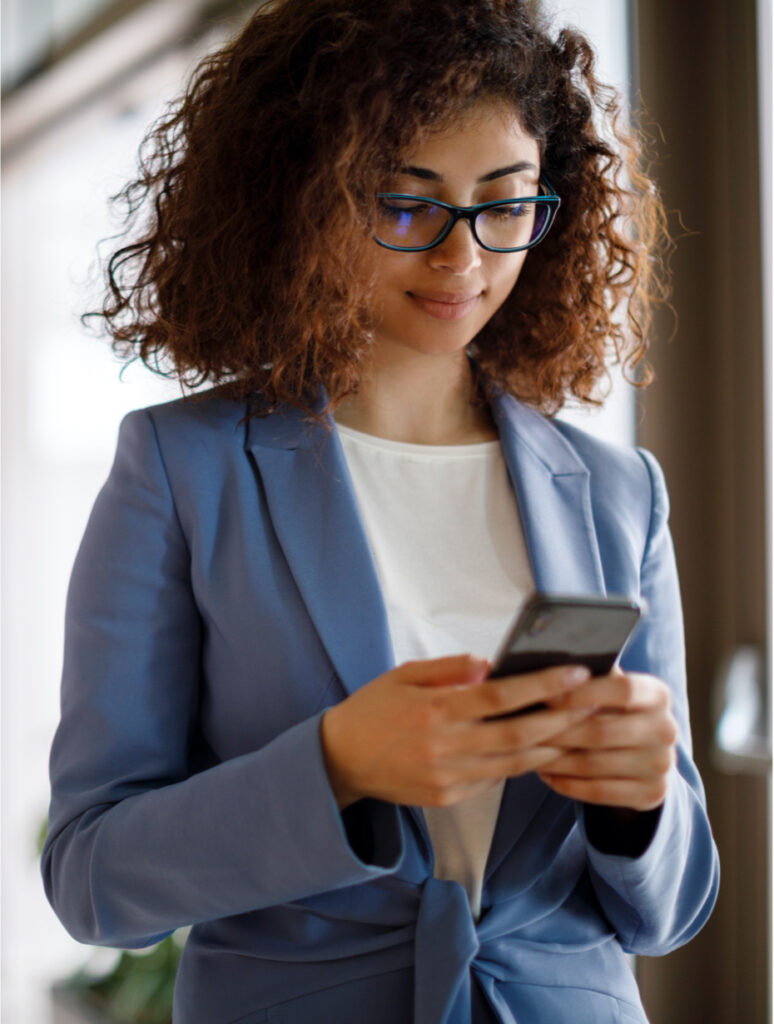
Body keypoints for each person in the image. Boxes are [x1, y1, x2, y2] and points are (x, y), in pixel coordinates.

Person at [41, 2, 720, 1022]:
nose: (464, 260)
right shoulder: (182, 471)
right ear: (304, 201)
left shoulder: (619, 493)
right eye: (406, 206)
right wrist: (336, 765)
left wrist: (640, 802)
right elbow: (93, 878)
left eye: (505, 206)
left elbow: (670, 911)